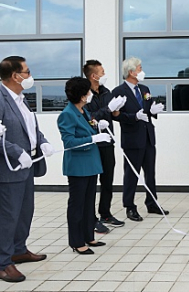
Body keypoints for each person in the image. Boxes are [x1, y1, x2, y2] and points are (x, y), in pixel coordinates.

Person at [0, 56, 52, 283]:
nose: (30, 76)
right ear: (15, 76)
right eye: (27, 72)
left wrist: (42, 141)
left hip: (28, 165)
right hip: (9, 168)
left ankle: (18, 250)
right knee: (8, 217)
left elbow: (30, 128)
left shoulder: (21, 99)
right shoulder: (1, 99)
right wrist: (16, 151)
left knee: (25, 212)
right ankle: (3, 263)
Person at [112, 57, 168, 222]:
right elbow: (115, 115)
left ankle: (152, 203)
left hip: (148, 137)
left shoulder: (144, 88)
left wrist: (153, 111)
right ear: (131, 72)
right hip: (132, 139)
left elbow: (148, 109)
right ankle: (129, 206)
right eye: (139, 68)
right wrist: (134, 117)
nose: (142, 71)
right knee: (131, 174)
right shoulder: (118, 91)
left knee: (150, 173)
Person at [57, 77, 109, 255]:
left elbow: (88, 129)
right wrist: (92, 138)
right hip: (78, 166)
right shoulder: (67, 114)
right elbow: (69, 142)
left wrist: (98, 128)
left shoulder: (84, 111)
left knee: (88, 203)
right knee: (77, 205)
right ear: (82, 96)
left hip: (91, 164)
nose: (90, 94)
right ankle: (77, 241)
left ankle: (88, 236)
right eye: (88, 91)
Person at [83, 60, 127, 233]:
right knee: (91, 183)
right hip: (93, 143)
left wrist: (116, 110)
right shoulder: (85, 94)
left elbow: (112, 115)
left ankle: (105, 213)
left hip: (107, 142)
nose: (104, 75)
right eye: (102, 72)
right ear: (93, 76)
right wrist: (107, 110)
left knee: (107, 180)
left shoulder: (106, 92)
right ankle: (91, 219)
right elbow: (88, 117)